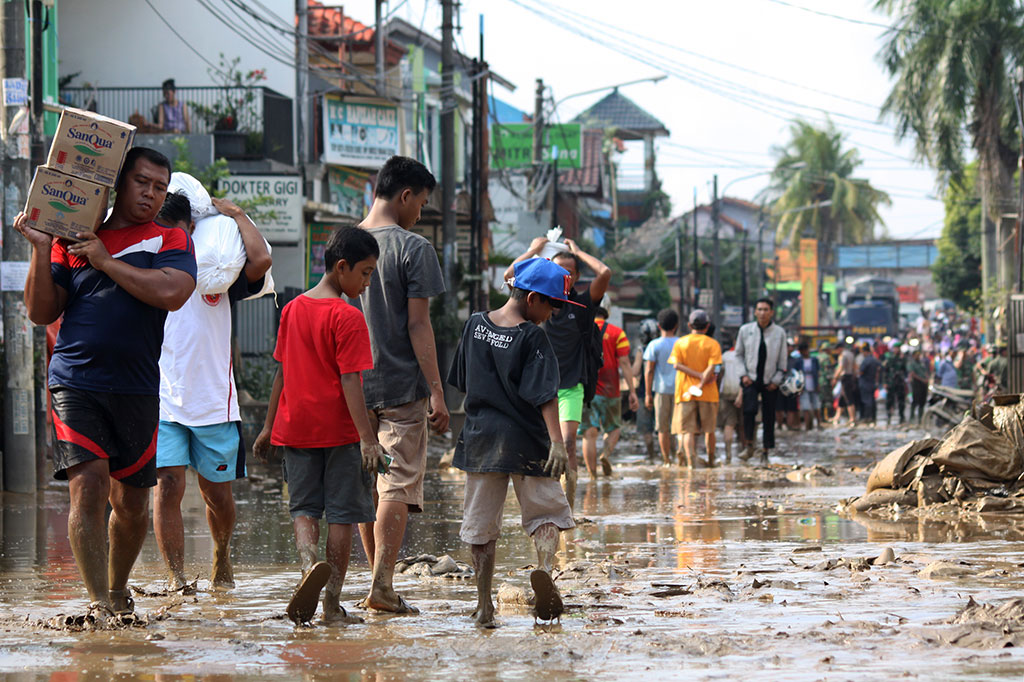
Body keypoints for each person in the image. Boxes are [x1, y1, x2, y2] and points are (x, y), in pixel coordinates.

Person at [15, 147, 196, 617]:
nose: (151, 194)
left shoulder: (171, 239)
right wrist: (39, 246)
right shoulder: (73, 236)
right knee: (89, 486)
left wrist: (106, 261)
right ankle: (99, 606)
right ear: (119, 184)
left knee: (133, 504)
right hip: (75, 381)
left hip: (137, 387)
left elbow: (173, 292)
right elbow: (40, 312)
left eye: (160, 187)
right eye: (142, 182)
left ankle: (117, 590)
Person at [252, 226, 386, 624]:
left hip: (295, 430)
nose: (365, 282)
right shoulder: (348, 316)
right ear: (341, 267)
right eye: (364, 273)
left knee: (304, 510)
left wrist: (266, 427)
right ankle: (330, 603)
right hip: (342, 434)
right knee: (343, 515)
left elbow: (281, 372)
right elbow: (350, 380)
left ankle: (308, 567)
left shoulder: (292, 308)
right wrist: (368, 440)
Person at [447, 258, 576, 628]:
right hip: (527, 439)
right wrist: (557, 443)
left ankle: (484, 604)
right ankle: (545, 572)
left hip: (480, 440)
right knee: (546, 514)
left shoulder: (474, 324)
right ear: (533, 299)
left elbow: (463, 378)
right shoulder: (532, 336)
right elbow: (545, 396)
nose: (553, 313)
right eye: (552, 305)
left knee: (480, 526)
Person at [153, 192, 272, 593]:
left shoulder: (217, 274)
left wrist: (237, 213)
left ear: (190, 229)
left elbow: (262, 261)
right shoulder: (146, 271)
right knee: (168, 486)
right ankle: (176, 577)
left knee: (217, 496)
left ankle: (222, 552)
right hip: (163, 399)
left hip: (214, 404)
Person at [355, 156, 449, 615]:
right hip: (398, 385)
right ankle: (382, 586)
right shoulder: (414, 248)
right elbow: (418, 325)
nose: (420, 215)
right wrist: (437, 390)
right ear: (405, 195)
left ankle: (379, 584)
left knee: (367, 486)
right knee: (395, 484)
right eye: (422, 204)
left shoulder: (345, 243)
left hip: (353, 387)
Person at [505, 238, 611, 508]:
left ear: (575, 276)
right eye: (558, 268)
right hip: (539, 385)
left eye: (570, 271)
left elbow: (605, 273)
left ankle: (569, 505)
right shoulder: (538, 300)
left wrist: (578, 252)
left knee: (567, 443)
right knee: (540, 443)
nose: (564, 275)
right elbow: (509, 275)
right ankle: (542, 501)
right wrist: (534, 250)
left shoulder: (584, 304)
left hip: (571, 384)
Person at [579, 306, 638, 477]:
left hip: (586, 389)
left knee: (589, 434)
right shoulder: (617, 333)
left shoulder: (581, 330)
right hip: (611, 389)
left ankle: (592, 476)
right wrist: (632, 391)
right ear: (608, 311)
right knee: (613, 429)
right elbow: (625, 363)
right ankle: (605, 454)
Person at [734, 298, 788, 464]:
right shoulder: (745, 330)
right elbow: (738, 355)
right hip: (750, 378)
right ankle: (749, 445)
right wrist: (743, 375)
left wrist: (776, 380)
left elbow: (783, 360)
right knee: (748, 411)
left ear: (771, 312)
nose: (763, 313)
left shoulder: (779, 333)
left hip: (770, 380)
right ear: (755, 312)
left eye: (766, 309)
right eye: (760, 309)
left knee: (769, 416)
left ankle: (765, 451)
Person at [668, 310, 722, 468]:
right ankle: (711, 461)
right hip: (708, 393)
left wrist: (696, 377)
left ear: (690, 325)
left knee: (687, 431)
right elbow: (712, 367)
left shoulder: (680, 343)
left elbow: (677, 365)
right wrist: (701, 379)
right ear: (707, 326)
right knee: (709, 430)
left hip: (685, 393)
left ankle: (690, 463)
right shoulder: (713, 344)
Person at [644, 308, 680, 466]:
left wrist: (647, 394)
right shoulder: (681, 343)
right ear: (676, 325)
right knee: (679, 426)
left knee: (662, 427)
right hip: (680, 391)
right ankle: (680, 456)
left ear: (659, 326)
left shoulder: (654, 345)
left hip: (661, 390)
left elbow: (649, 370)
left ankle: (666, 460)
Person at [631, 319, 659, 461]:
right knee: (664, 427)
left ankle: (652, 456)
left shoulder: (642, 350)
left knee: (646, 429)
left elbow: (635, 372)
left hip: (643, 393)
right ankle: (669, 457)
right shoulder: (661, 347)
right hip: (661, 392)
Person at [717, 333, 744, 464]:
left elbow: (719, 376)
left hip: (726, 392)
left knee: (729, 424)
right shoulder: (747, 357)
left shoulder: (725, 356)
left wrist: (717, 392)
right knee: (744, 425)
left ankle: (728, 455)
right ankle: (744, 453)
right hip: (743, 391)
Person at [796, 340, 820, 430]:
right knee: (806, 407)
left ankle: (818, 424)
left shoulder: (814, 360)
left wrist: (818, 384)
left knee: (816, 405)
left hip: (813, 384)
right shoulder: (798, 362)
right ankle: (807, 426)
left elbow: (817, 373)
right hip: (804, 386)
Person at [833, 340, 858, 427]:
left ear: (839, 348)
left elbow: (841, 367)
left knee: (848, 398)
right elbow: (855, 367)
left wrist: (835, 378)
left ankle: (852, 419)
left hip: (845, 377)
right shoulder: (851, 354)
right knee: (842, 398)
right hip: (850, 377)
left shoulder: (843, 355)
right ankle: (837, 417)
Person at [881, 343, 908, 425]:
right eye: (895, 348)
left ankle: (901, 417)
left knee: (901, 401)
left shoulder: (903, 358)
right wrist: (885, 382)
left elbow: (905, 370)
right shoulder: (889, 358)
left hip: (900, 382)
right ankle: (889, 416)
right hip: (891, 382)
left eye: (898, 348)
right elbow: (885, 371)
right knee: (890, 400)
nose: (896, 350)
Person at [857, 342, 881, 425]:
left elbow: (860, 372)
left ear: (865, 352)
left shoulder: (866, 360)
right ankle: (873, 417)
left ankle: (867, 418)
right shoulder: (874, 359)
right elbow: (880, 368)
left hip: (865, 383)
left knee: (866, 401)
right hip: (872, 382)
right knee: (872, 400)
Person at [907, 348, 931, 422]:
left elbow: (926, 372)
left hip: (924, 384)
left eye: (918, 355)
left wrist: (927, 379)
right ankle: (912, 417)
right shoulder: (911, 363)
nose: (918, 356)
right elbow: (912, 374)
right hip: (917, 384)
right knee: (915, 400)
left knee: (922, 401)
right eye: (916, 355)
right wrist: (922, 379)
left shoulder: (922, 363)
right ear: (913, 356)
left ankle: (920, 418)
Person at [817, 341, 836, 423]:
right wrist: (832, 380)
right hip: (825, 381)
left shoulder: (818, 357)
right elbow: (827, 370)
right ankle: (828, 417)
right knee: (827, 400)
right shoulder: (827, 358)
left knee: (821, 399)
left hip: (819, 381)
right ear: (827, 350)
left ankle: (821, 417)